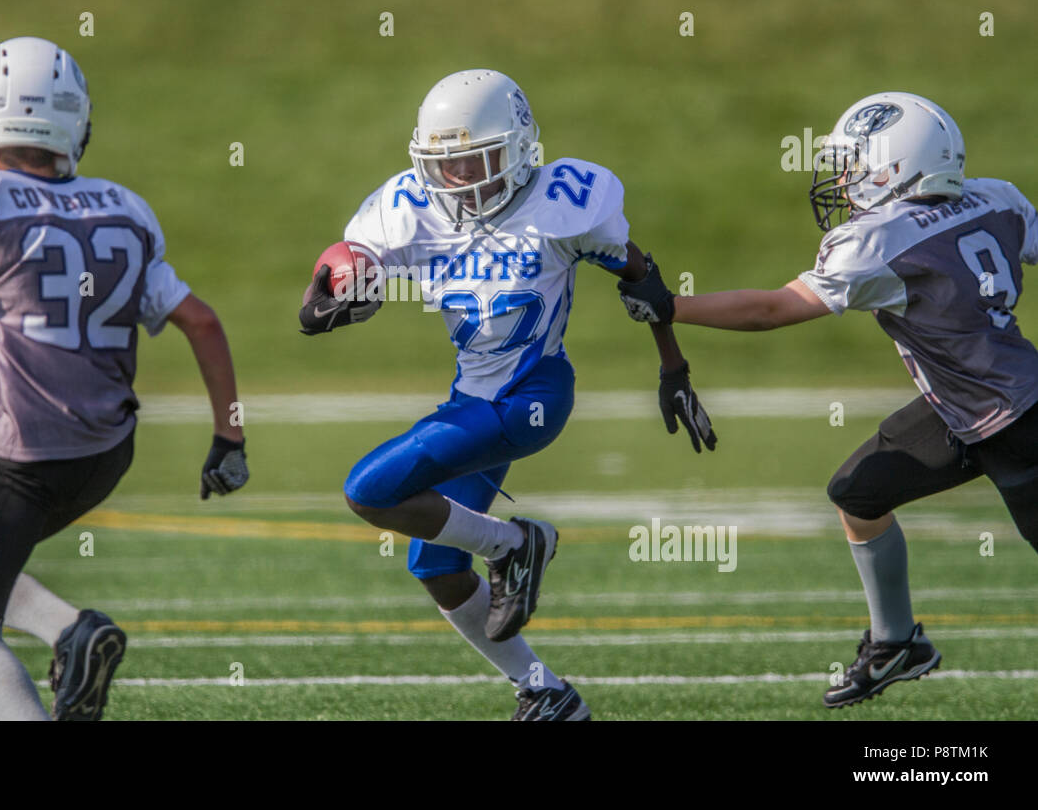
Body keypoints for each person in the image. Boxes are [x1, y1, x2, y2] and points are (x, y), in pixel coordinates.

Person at [299, 69, 716, 720]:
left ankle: (515, 545)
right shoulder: (409, 208)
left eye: (477, 160)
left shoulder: (563, 204)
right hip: (471, 401)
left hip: (533, 396)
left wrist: (674, 369)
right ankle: (543, 689)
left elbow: (643, 281)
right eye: (447, 164)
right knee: (435, 566)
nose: (461, 179)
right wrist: (332, 294)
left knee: (368, 490)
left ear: (521, 148)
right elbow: (338, 282)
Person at [0, 36, 249, 720]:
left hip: (29, 457)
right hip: (109, 451)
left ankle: (75, 632)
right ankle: (72, 631)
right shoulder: (124, 209)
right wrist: (230, 439)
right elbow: (205, 322)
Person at [616, 91, 1038, 708]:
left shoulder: (878, 238)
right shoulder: (997, 198)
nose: (843, 179)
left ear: (896, 165)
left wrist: (674, 305)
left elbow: (771, 310)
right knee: (859, 494)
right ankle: (897, 644)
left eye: (855, 162)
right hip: (964, 406)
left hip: (1016, 423)